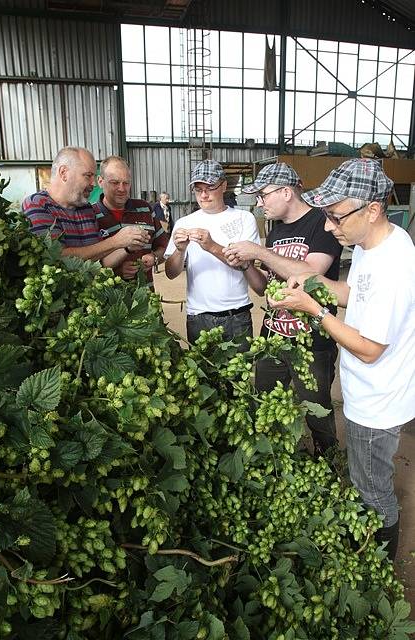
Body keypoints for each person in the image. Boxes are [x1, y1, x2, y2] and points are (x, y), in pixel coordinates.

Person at [267, 158, 415, 559]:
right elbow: (351, 293)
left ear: (372, 209)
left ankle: (378, 562)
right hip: (365, 393)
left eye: (335, 217)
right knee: (365, 477)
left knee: (373, 491)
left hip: (376, 402)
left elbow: (369, 349)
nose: (330, 228)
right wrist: (313, 283)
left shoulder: (394, 265)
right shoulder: (371, 244)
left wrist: (315, 310)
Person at [223, 163, 342, 455]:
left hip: (312, 341)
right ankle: (276, 460)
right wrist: (247, 266)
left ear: (286, 192)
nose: (260, 202)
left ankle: (327, 463)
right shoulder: (276, 233)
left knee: (318, 413)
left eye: (263, 195)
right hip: (274, 337)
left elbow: (310, 274)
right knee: (266, 403)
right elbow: (265, 287)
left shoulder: (321, 223)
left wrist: (259, 251)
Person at [165, 159, 260, 350]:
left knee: (238, 375)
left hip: (236, 316)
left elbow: (243, 263)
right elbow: (170, 273)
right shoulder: (185, 222)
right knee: (204, 378)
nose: (204, 195)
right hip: (199, 317)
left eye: (210, 188)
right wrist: (180, 250)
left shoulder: (244, 219)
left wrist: (211, 246)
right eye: (198, 190)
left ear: (224, 185)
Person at [22, 147, 148, 265]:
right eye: (88, 176)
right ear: (63, 173)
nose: (93, 184)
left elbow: (98, 259)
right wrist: (116, 241)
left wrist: (127, 247)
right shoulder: (37, 204)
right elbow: (55, 257)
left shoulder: (86, 208)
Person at [93, 156, 168, 286]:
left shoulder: (145, 209)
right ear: (100, 181)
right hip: (108, 303)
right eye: (115, 183)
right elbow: (86, 263)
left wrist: (154, 258)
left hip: (146, 300)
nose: (122, 189)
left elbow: (165, 248)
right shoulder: (90, 215)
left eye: (126, 183)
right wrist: (116, 272)